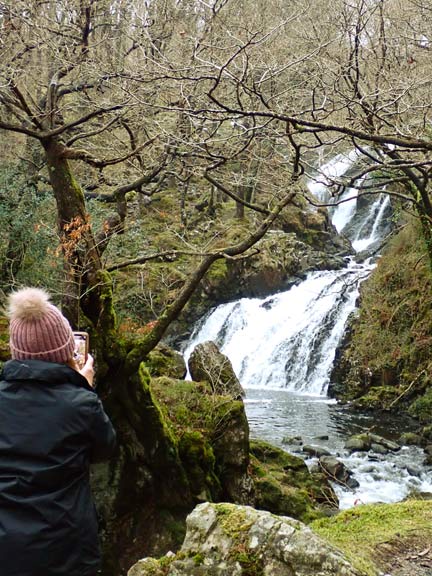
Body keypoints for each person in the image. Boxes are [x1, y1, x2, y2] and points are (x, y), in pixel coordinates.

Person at [0, 287, 116, 576]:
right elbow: (106, 449)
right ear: (67, 350)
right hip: (66, 550)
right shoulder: (80, 403)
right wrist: (82, 389)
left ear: (17, 351)